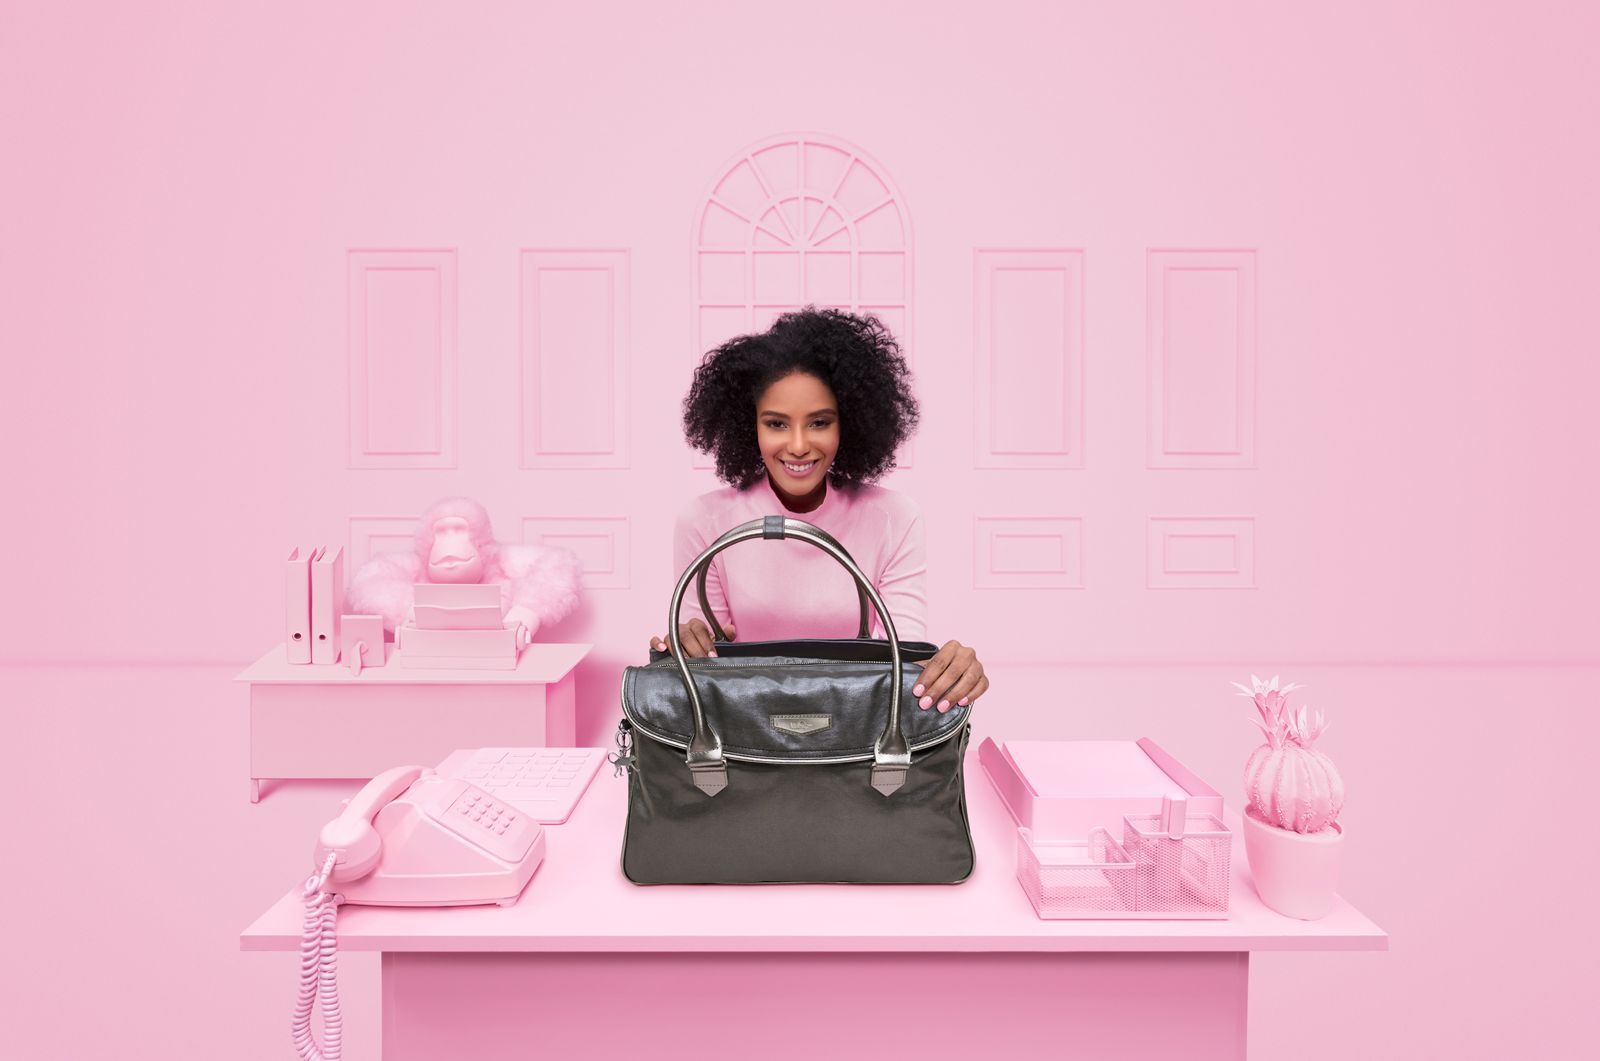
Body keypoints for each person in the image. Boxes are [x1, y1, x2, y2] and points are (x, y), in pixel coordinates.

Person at [648, 307, 989, 714]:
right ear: (748, 425)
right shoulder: (704, 522)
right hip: (742, 738)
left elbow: (900, 669)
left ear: (848, 424)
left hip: (856, 737)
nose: (797, 445)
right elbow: (705, 675)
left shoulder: (895, 518)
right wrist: (686, 647)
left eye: (819, 422)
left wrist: (944, 670)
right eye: (776, 424)